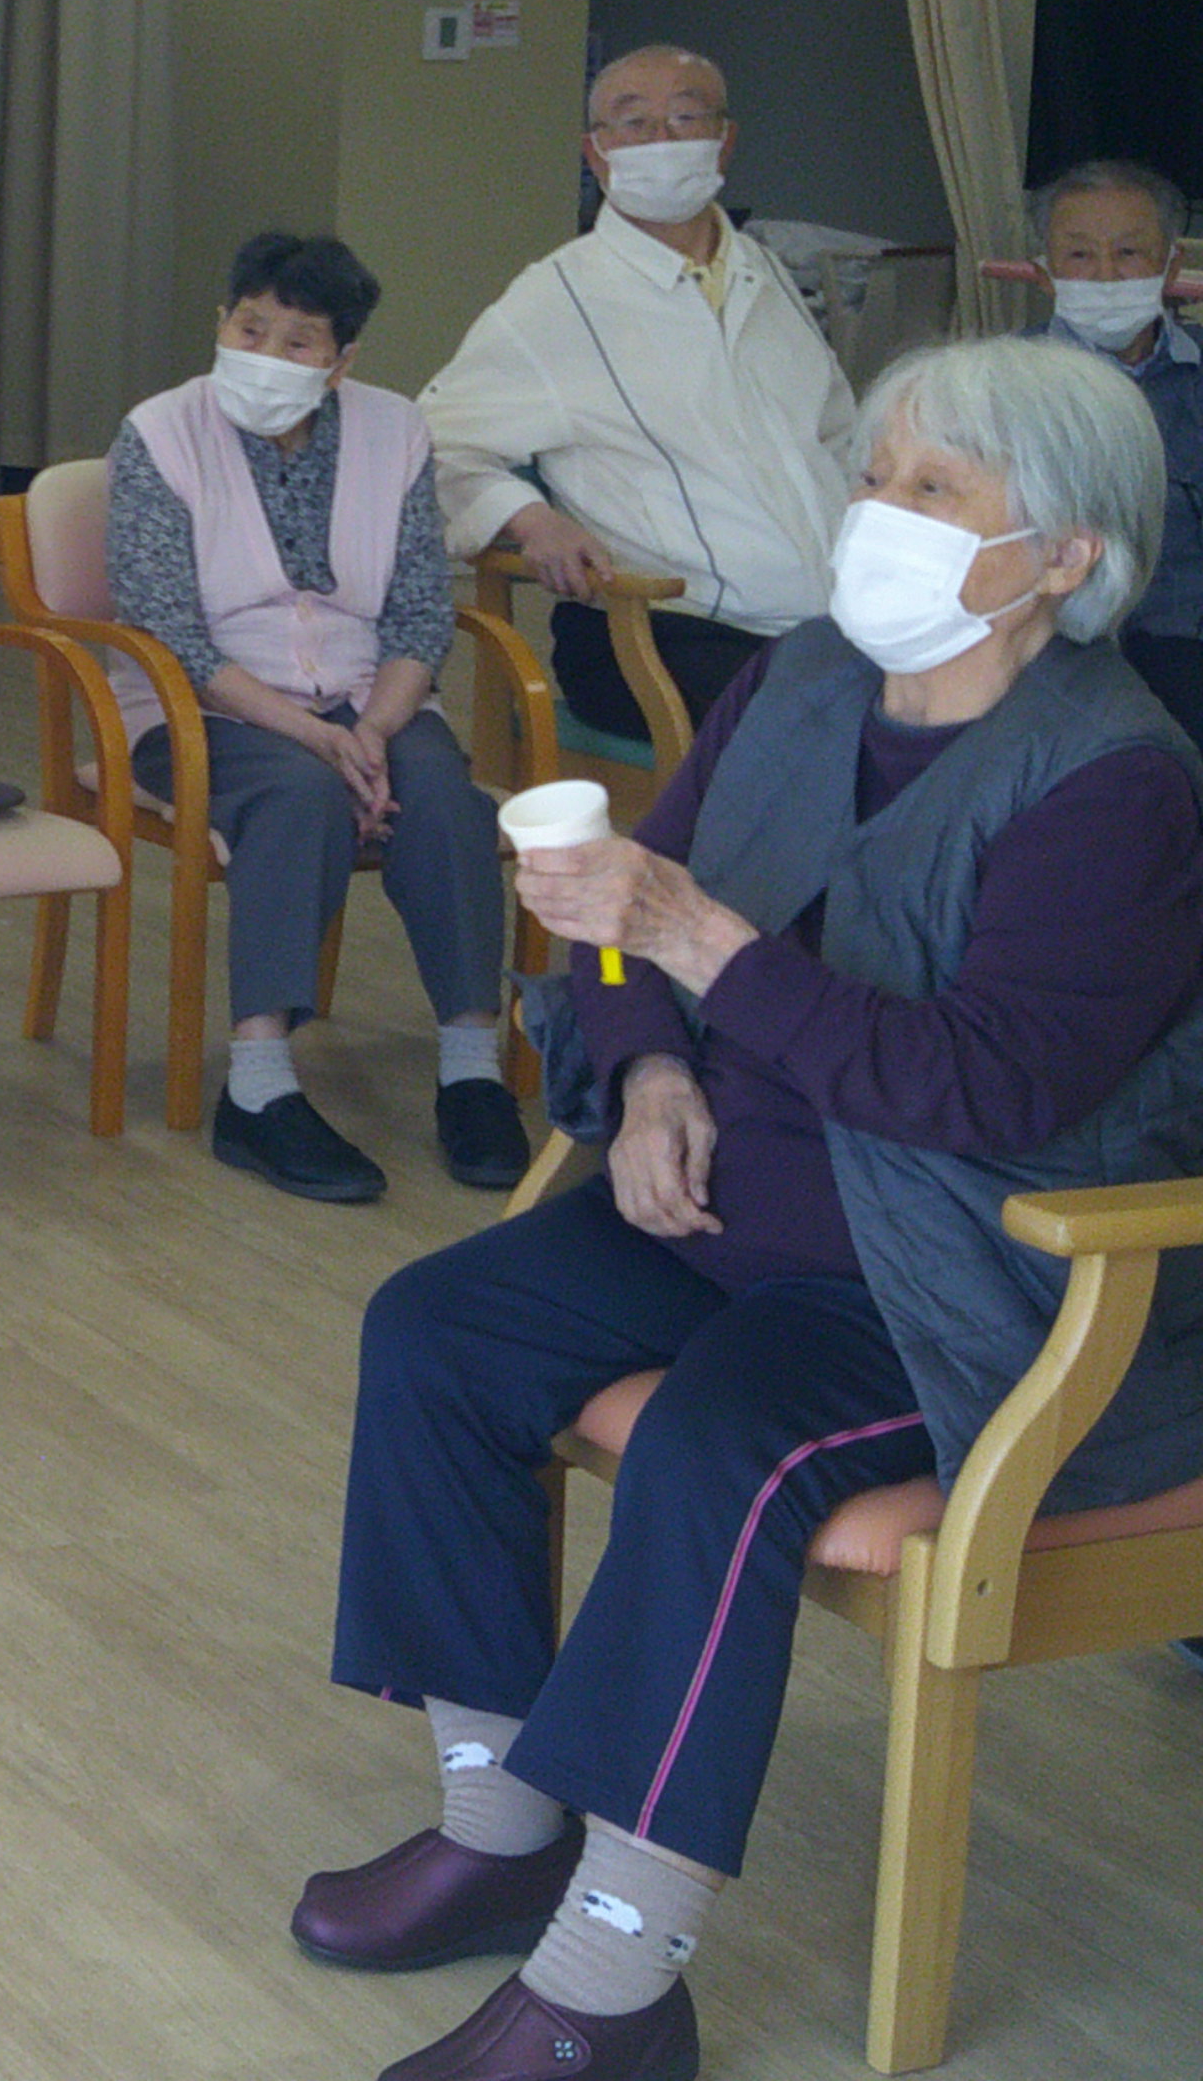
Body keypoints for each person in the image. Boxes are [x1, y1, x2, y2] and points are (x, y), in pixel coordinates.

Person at [304, 334, 1203, 2081]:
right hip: (724, 1203)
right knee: (436, 1331)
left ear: (1067, 554)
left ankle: (612, 1981)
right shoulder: (805, 678)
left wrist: (704, 943)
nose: (881, 512)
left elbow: (983, 1090)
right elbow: (627, 905)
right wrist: (650, 1068)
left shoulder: (1119, 782)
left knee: (722, 1448)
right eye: (875, 476)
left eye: (935, 487)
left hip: (946, 1278)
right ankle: (499, 1830)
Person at [104, 234, 522, 1205]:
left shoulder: (395, 431)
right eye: (249, 329)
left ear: (340, 363)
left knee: (445, 800)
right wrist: (318, 740)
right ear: (220, 322)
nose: (264, 354)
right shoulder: (158, 434)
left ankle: (471, 1068)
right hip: (201, 704)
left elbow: (419, 612)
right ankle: (256, 1088)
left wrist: (370, 729)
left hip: (365, 696)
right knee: (299, 797)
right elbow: (167, 631)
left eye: (296, 342)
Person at [417, 46, 854, 742]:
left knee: (967, 704)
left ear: (724, 141)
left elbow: (838, 437)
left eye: (685, 117)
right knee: (838, 734)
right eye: (633, 122)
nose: (661, 139)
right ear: (595, 153)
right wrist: (532, 520)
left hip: (822, 621)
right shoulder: (556, 297)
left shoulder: (762, 273)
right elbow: (432, 445)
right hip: (659, 632)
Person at [1029, 157, 1203, 743]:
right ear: (1046, 271)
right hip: (1054, 652)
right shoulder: (999, 387)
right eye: (1079, 254)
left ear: (1171, 264)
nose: (1105, 275)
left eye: (1129, 252)